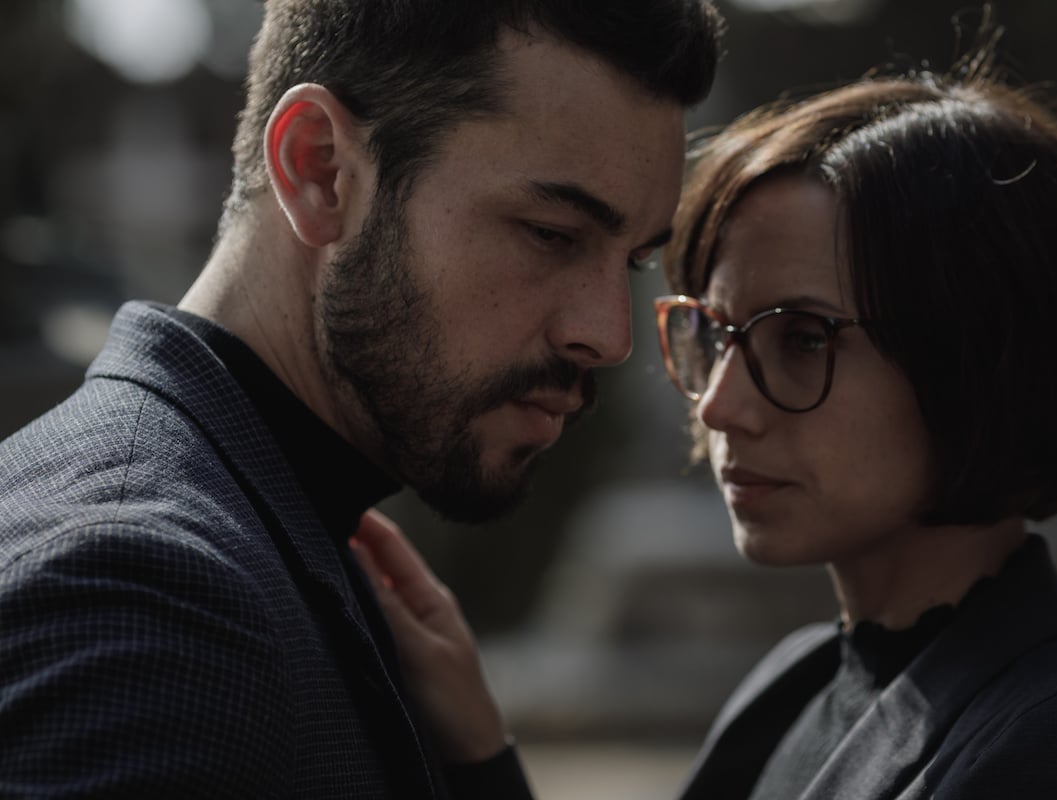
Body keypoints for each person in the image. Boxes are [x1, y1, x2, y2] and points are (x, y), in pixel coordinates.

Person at [351, 34, 1057, 800]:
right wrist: (477, 747)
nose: (721, 404)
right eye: (714, 336)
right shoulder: (794, 688)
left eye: (802, 338)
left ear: (985, 354)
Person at [0, 1, 724, 796]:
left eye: (630, 263)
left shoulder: (272, 529)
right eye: (551, 233)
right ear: (319, 169)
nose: (609, 336)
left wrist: (478, 765)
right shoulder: (146, 595)